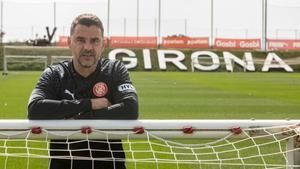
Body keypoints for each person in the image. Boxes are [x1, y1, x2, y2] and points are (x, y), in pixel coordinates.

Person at [28, 13, 138, 169]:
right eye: (80, 40)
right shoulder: (54, 74)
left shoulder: (115, 70)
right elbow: (35, 110)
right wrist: (89, 104)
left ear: (103, 43)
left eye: (94, 41)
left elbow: (130, 109)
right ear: (69, 42)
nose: (87, 47)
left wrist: (77, 116)